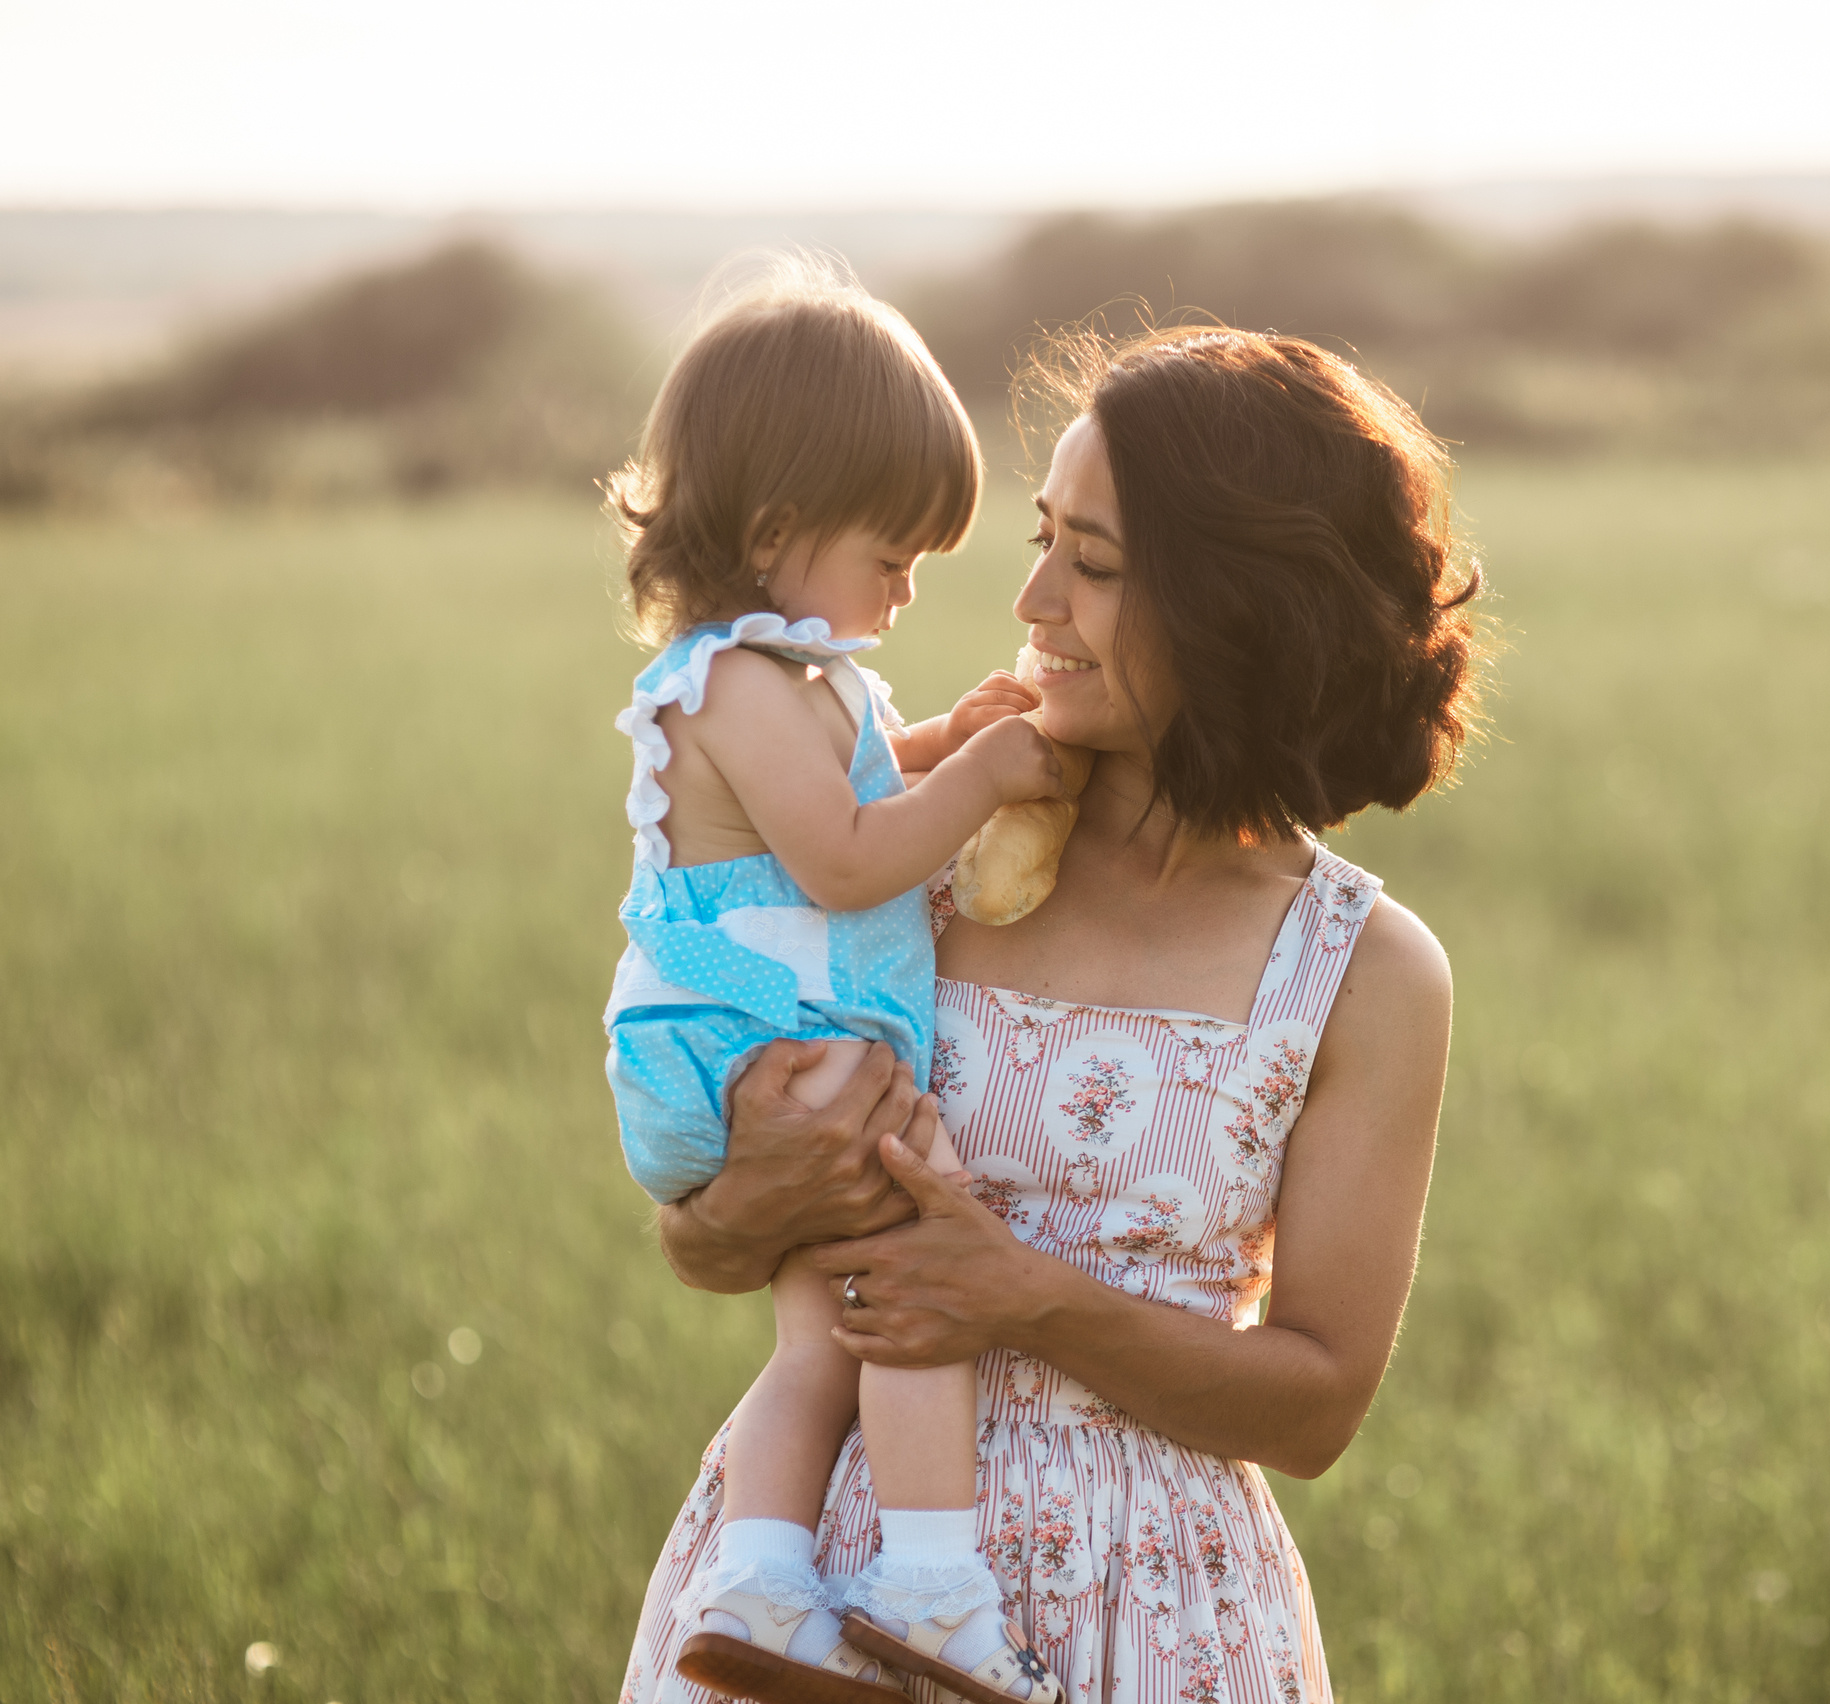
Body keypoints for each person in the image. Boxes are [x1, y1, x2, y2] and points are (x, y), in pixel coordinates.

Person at [621, 325, 1478, 1704]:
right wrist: (739, 1203)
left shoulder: (1361, 969)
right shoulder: (917, 857)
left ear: (1238, 610)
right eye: (1043, 538)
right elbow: (706, 1239)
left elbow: (1318, 1405)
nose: (1030, 600)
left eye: (1096, 564)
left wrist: (1028, 1296)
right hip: (809, 1599)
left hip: (1161, 1614)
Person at [600, 263, 1069, 1704]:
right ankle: (930, 1587)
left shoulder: (791, 684)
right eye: (894, 548)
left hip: (759, 1047)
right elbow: (848, 858)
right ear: (774, 530)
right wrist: (991, 769)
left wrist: (937, 741)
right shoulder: (735, 685)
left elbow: (853, 795)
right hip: (763, 1057)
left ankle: (758, 1585)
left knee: (823, 1328)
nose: (914, 583)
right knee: (914, 1282)